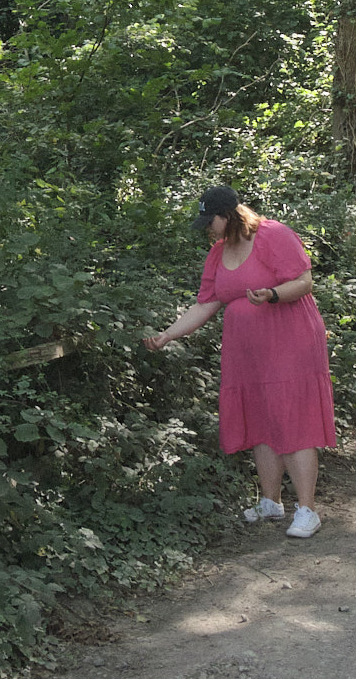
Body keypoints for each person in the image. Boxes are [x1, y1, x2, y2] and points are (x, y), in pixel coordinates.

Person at [143, 184, 336, 538]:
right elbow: (205, 304)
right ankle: (271, 501)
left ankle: (307, 509)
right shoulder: (219, 253)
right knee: (260, 416)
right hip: (247, 352)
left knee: (290, 418)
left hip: (289, 341)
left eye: (210, 220)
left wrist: (273, 294)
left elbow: (304, 281)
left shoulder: (273, 235)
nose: (207, 228)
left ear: (228, 215)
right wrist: (168, 335)